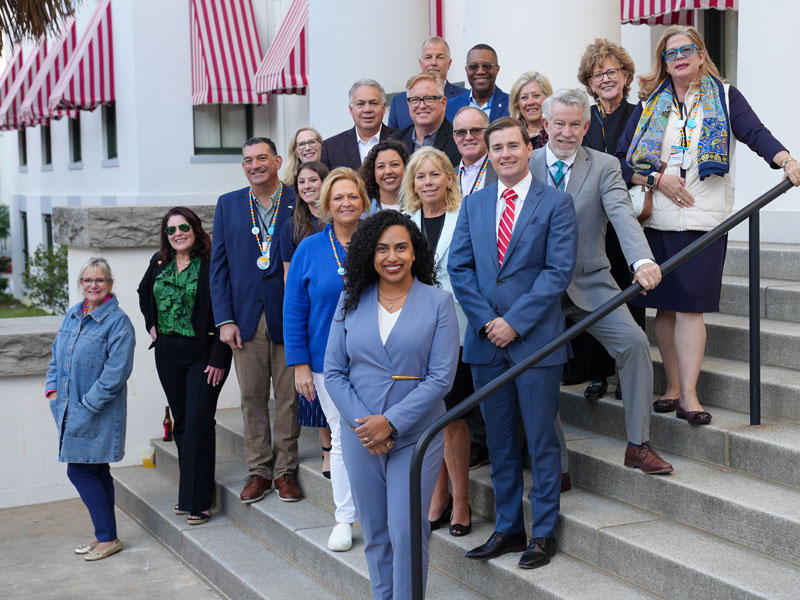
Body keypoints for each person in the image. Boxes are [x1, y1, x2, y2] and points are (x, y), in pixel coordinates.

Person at [618, 25, 800, 424]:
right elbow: (621, 160)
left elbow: (755, 133)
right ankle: (672, 387)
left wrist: (786, 160)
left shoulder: (726, 96)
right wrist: (657, 179)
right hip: (657, 220)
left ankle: (690, 395)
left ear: (701, 55)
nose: (679, 58)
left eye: (687, 50)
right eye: (670, 53)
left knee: (691, 308)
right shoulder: (649, 103)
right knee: (665, 308)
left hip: (704, 223)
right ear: (664, 63)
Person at [449, 117, 578, 569]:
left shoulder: (556, 203)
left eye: (512, 146)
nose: (505, 154)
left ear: (529, 148)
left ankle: (542, 533)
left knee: (540, 441)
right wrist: (489, 322)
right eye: (497, 148)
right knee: (499, 441)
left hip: (536, 343)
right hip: (486, 343)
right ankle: (508, 528)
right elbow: (459, 268)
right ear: (489, 154)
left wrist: (515, 323)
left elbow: (557, 272)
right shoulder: (474, 203)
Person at [530, 88, 673, 475]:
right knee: (538, 369)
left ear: (585, 127)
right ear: (545, 125)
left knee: (634, 343)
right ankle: (554, 464)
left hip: (590, 282)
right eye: (559, 124)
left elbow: (623, 215)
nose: (567, 132)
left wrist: (642, 260)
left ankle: (638, 445)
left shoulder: (605, 166)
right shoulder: (524, 164)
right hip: (536, 290)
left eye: (575, 124)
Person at [324, 210, 459, 599]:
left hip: (416, 434)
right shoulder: (350, 301)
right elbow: (333, 371)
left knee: (406, 528)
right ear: (370, 254)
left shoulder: (439, 302)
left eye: (401, 247)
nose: (392, 257)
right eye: (382, 249)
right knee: (375, 530)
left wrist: (391, 423)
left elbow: (441, 378)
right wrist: (366, 425)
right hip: (360, 434)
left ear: (415, 252)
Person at [210, 137, 302, 503]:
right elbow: (218, 268)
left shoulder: (298, 198)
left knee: (288, 398)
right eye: (248, 160)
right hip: (245, 319)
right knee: (251, 396)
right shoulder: (228, 204)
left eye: (262, 158)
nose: (255, 165)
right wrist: (224, 319)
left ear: (277, 161)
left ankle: (285, 471)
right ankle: (259, 470)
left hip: (289, 315)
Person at [283, 167, 366, 552]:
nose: (346, 203)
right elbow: (293, 308)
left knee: (377, 436)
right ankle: (344, 517)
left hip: (376, 360)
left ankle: (379, 511)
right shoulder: (309, 248)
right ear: (326, 206)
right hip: (324, 363)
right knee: (343, 437)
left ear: (363, 201)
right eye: (338, 198)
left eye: (353, 196)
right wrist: (300, 364)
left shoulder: (379, 241)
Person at [137, 207, 232, 525]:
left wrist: (220, 356)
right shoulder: (159, 262)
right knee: (182, 423)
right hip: (168, 353)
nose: (177, 234)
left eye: (183, 227)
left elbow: (227, 307)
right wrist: (151, 324)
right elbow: (144, 293)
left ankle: (201, 500)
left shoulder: (212, 262)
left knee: (199, 422)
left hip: (204, 354)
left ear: (195, 228)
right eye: (171, 230)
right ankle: (189, 493)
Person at [400, 146, 472, 537]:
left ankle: (461, 500)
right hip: (416, 331)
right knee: (428, 415)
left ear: (448, 178)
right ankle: (438, 494)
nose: (428, 182)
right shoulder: (402, 223)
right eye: (420, 176)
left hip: (458, 326)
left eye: (434, 174)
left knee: (453, 415)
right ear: (412, 183)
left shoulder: (466, 216)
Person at [45, 257, 135, 561]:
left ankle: (107, 537)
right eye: (87, 280)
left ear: (110, 284)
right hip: (68, 409)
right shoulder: (73, 314)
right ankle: (106, 535)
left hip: (97, 411)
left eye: (99, 280)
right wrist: (53, 391)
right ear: (80, 284)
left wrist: (87, 405)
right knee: (95, 470)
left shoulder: (118, 322)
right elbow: (56, 357)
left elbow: (116, 373)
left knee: (80, 471)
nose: (93, 285)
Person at [568, 39, 642, 401]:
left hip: (625, 218)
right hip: (589, 220)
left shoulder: (640, 114)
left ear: (626, 75)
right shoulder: (584, 120)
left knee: (629, 293)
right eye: (597, 75)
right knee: (590, 295)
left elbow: (643, 161)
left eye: (612, 71)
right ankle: (598, 373)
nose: (606, 79)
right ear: (589, 82)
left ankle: (628, 376)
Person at [280, 161, 332, 479]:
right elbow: (290, 279)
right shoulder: (293, 226)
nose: (308, 186)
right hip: (311, 311)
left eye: (314, 179)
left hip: (337, 309)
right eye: (302, 181)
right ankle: (327, 448)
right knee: (315, 387)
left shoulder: (340, 218)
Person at [388, 36, 467, 130]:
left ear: (449, 63)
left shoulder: (465, 97)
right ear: (420, 63)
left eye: (439, 57)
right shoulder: (399, 102)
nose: (433, 63)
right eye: (428, 57)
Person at [321, 79, 396, 171]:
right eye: (360, 104)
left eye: (374, 103)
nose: (367, 109)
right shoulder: (331, 148)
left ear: (383, 108)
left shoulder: (401, 140)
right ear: (351, 109)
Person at [391, 72, 461, 168]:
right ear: (408, 105)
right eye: (415, 100)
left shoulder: (459, 140)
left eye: (429, 99)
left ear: (443, 103)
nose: (422, 106)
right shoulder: (395, 142)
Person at [446, 44, 509, 123]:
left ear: (497, 69)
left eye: (487, 66)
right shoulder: (450, 107)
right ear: (466, 70)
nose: (480, 71)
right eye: (473, 66)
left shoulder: (512, 105)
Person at [452, 106, 497, 197]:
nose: (468, 137)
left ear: (488, 134)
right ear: (455, 137)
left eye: (475, 131)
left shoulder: (501, 171)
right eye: (461, 132)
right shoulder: (448, 176)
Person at [359, 138, 409, 213]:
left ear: (406, 167)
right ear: (373, 172)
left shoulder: (421, 205)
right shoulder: (362, 209)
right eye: (381, 166)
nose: (388, 171)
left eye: (394, 164)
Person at [509, 71, 553, 150]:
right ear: (517, 104)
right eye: (524, 98)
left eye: (536, 96)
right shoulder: (509, 134)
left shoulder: (556, 131)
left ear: (548, 99)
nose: (530, 102)